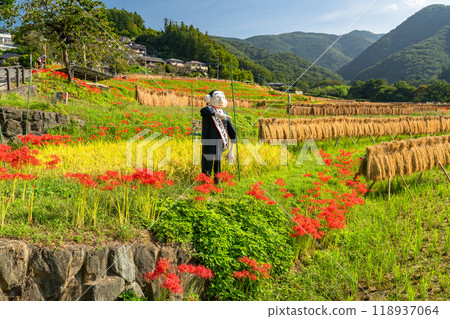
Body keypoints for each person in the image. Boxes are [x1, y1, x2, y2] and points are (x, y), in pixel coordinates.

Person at [200, 90, 236, 184]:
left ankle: (217, 184)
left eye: (222, 97)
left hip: (220, 143)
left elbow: (232, 132)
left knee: (218, 165)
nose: (220, 100)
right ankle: (205, 185)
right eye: (217, 97)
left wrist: (231, 151)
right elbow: (204, 111)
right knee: (207, 164)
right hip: (209, 142)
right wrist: (216, 115)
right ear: (209, 98)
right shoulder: (208, 110)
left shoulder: (224, 112)